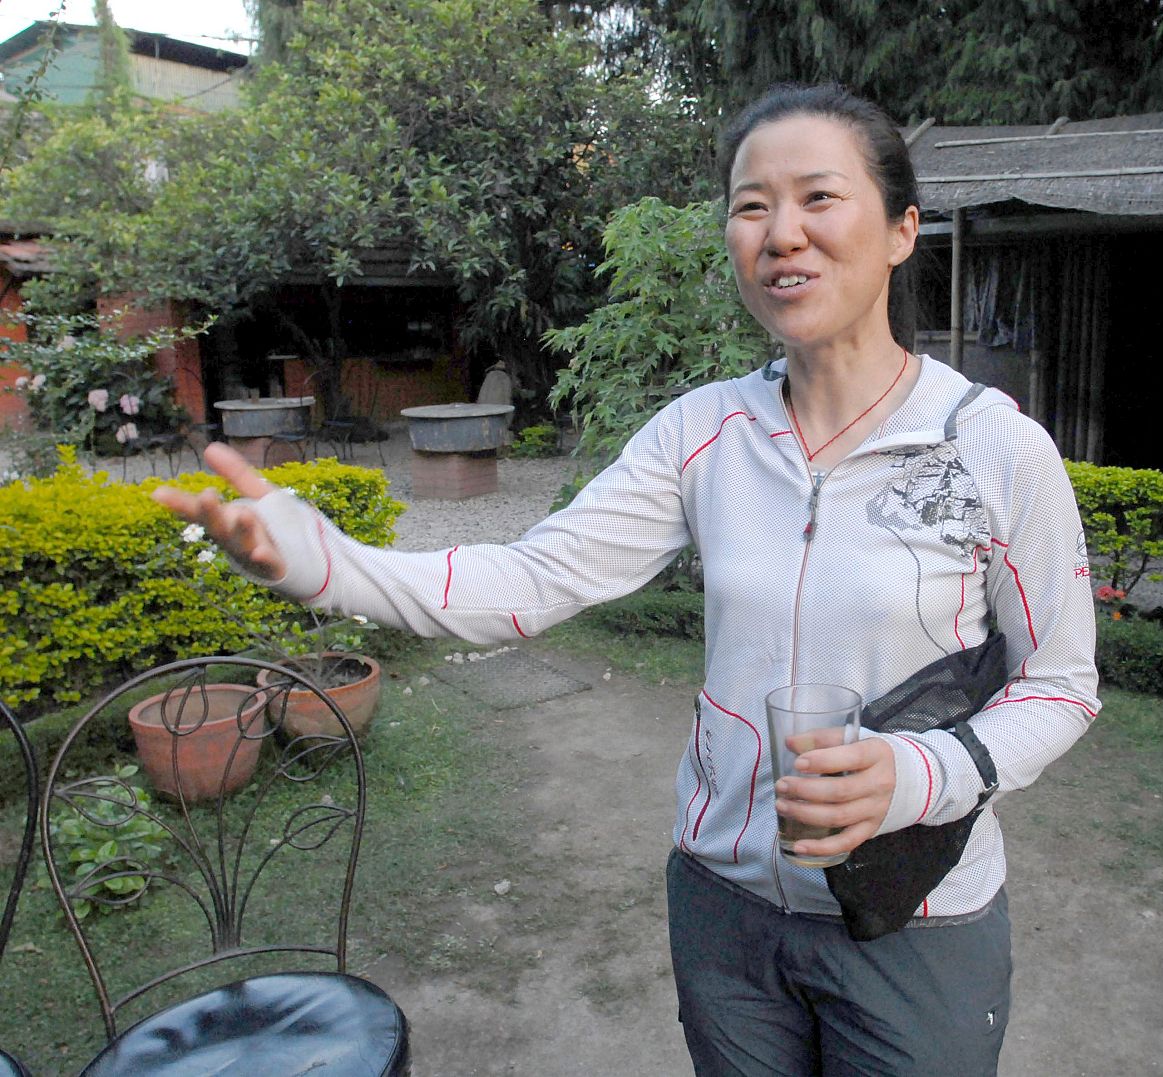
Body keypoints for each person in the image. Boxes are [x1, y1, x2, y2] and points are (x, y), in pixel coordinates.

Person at [155, 83, 1100, 1077]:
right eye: (750, 206)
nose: (782, 234)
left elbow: (1060, 683)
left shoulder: (990, 448)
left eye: (819, 198)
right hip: (724, 909)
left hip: (916, 916)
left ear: (903, 229)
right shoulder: (704, 434)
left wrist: (922, 774)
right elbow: (533, 577)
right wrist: (327, 563)